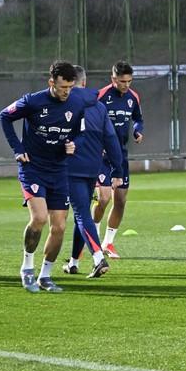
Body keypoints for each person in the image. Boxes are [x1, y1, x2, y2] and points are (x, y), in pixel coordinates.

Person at [0, 61, 91, 293]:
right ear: (52, 82)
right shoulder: (32, 101)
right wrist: (18, 149)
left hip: (59, 170)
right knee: (39, 218)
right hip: (33, 168)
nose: (66, 92)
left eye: (70, 87)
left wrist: (73, 144)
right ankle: (27, 267)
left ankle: (45, 275)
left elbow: (80, 132)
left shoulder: (77, 103)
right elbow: (4, 116)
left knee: (59, 227)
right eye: (62, 87)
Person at [63, 65, 122, 278]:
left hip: (70, 167)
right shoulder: (99, 106)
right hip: (93, 168)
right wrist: (117, 170)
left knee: (80, 214)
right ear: (85, 82)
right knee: (83, 213)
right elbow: (112, 140)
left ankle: (98, 258)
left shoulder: (65, 103)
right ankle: (74, 262)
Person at [93, 61, 144, 258]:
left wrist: (138, 130)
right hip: (101, 156)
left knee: (120, 200)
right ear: (113, 79)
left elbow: (138, 118)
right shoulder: (100, 96)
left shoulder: (133, 97)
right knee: (104, 198)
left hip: (121, 156)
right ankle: (93, 238)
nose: (126, 85)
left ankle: (108, 243)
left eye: (129, 81)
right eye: (123, 81)